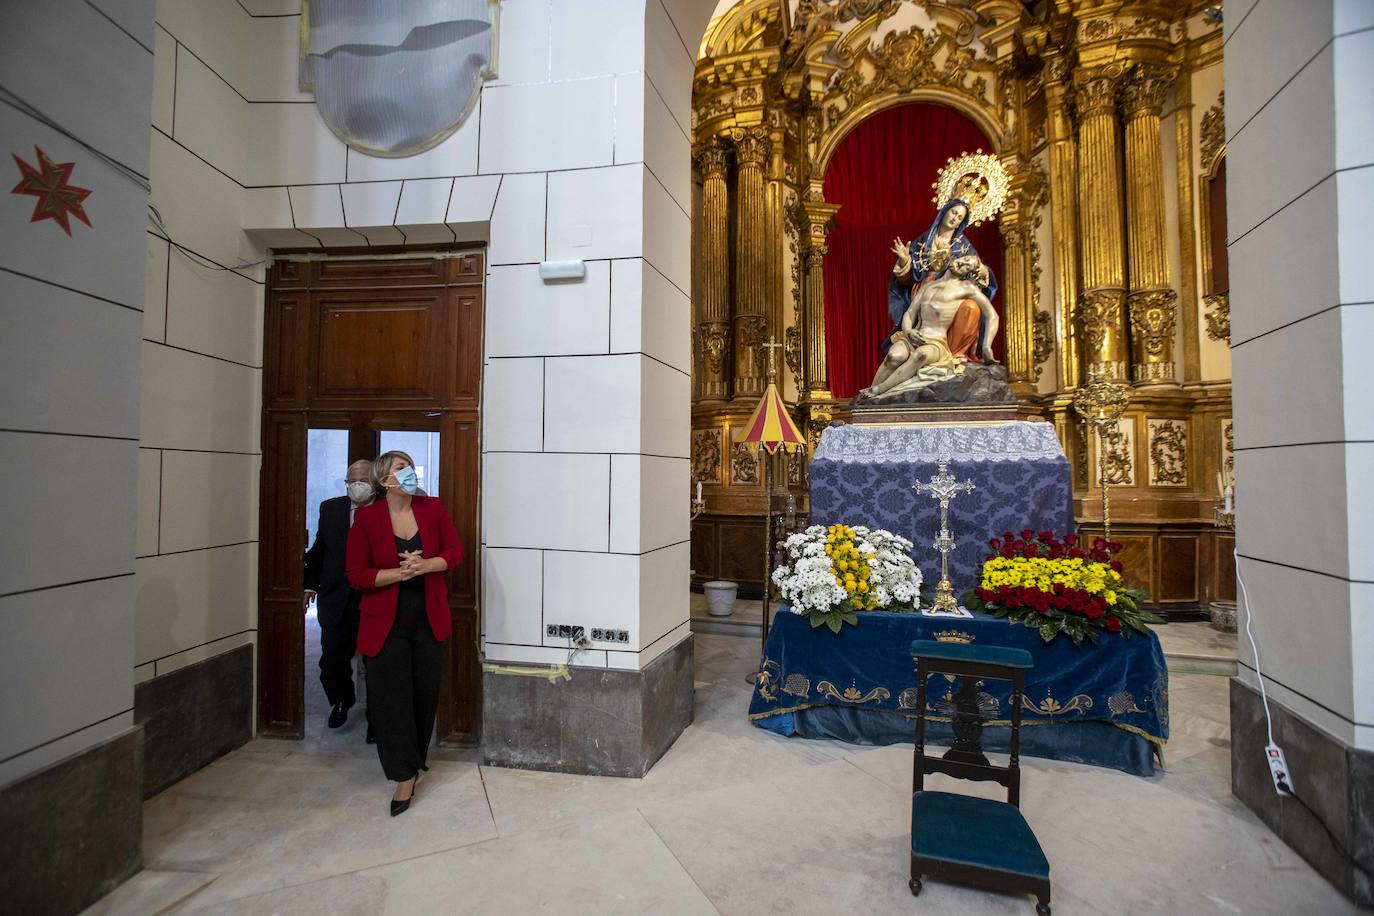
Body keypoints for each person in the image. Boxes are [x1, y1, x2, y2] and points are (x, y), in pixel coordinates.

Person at [346, 449, 463, 816]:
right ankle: (403, 775)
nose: (410, 473)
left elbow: (456, 551)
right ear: (385, 481)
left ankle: (416, 759)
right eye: (401, 468)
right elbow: (356, 574)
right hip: (386, 624)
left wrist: (427, 564)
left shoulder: (432, 509)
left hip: (428, 620)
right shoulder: (366, 520)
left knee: (423, 694)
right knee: (391, 699)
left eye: (410, 467)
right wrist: (399, 574)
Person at [861, 254, 998, 399]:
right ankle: (867, 399)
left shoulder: (966, 288)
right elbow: (909, 313)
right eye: (963, 259)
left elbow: (992, 315)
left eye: (967, 266)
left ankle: (878, 390)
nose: (962, 264)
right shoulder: (929, 285)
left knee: (921, 355)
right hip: (913, 337)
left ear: (968, 274)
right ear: (955, 258)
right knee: (894, 357)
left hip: (936, 342)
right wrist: (908, 331)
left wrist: (986, 347)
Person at [303, 458, 375, 733]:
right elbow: (320, 550)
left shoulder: (385, 508)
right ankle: (342, 701)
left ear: (375, 483)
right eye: (352, 481)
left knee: (376, 663)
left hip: (372, 599)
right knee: (332, 659)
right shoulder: (331, 509)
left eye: (364, 481)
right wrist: (309, 585)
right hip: (336, 598)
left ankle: (376, 716)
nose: (357, 486)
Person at [886, 197, 998, 354]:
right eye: (953, 213)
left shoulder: (963, 245)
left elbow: (976, 266)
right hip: (925, 290)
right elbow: (909, 278)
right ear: (945, 212)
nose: (955, 218)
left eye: (960, 217)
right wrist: (905, 261)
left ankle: (953, 355)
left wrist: (983, 270)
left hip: (951, 293)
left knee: (971, 308)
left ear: (961, 223)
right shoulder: (924, 241)